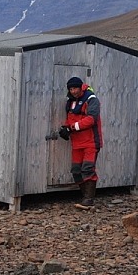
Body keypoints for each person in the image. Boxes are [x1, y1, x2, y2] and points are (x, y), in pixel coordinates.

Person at [58, 76, 103, 209]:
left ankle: (89, 199)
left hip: (91, 142)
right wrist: (65, 128)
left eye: (75, 88)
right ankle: (85, 196)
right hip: (77, 142)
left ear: (81, 87)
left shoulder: (91, 99)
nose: (73, 91)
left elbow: (91, 120)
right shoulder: (71, 102)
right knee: (76, 171)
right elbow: (70, 119)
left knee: (88, 169)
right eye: (71, 89)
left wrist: (71, 128)